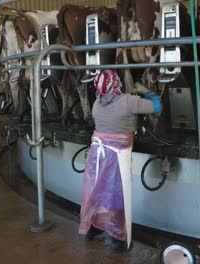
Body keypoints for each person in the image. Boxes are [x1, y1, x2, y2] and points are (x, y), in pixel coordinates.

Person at [78, 69, 161, 251]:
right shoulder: (130, 101)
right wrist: (146, 90)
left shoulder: (96, 104)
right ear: (116, 83)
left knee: (96, 192)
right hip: (116, 156)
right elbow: (157, 107)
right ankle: (118, 238)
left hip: (96, 156)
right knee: (116, 195)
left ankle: (93, 229)